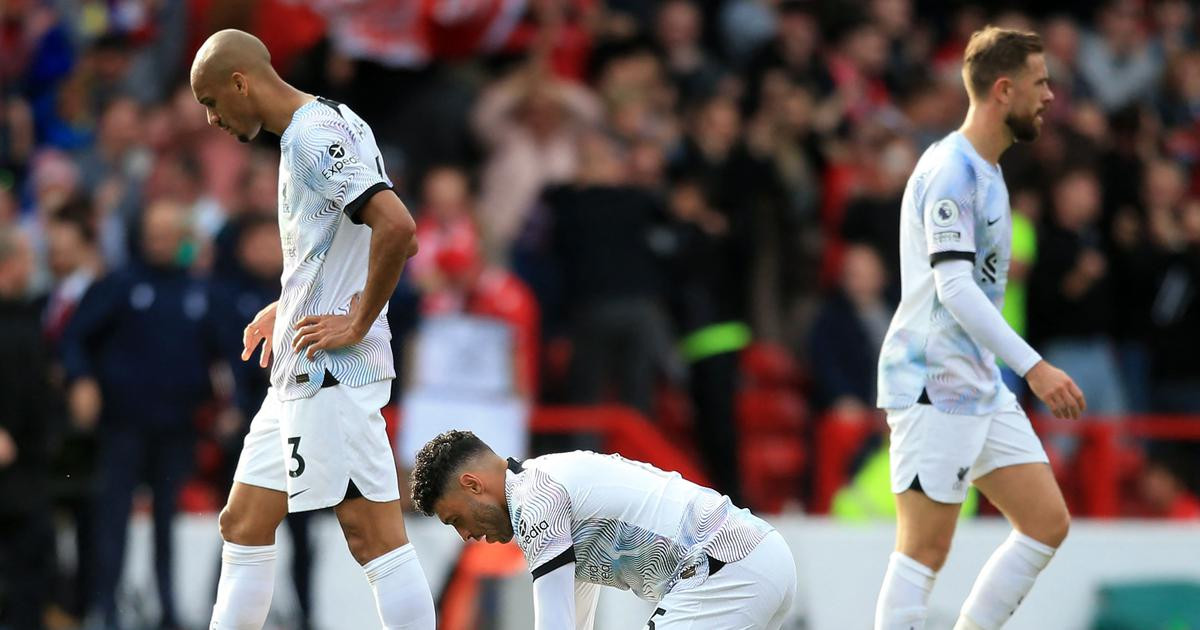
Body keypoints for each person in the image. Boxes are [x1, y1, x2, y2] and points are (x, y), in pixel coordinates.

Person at [188, 29, 435, 629]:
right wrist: (289, 304)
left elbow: (398, 229)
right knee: (242, 523)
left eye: (213, 103)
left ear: (241, 82)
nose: (214, 119)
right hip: (298, 370)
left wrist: (358, 319)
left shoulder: (311, 139)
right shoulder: (331, 119)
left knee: (371, 534)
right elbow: (337, 246)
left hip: (333, 374)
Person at [874, 27, 1085, 630]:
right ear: (1003, 89)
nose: (1049, 96)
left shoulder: (988, 172)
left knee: (1046, 524)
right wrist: (1035, 367)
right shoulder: (952, 172)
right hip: (931, 382)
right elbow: (954, 287)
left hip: (978, 383)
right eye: (1040, 83)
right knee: (923, 551)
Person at [410, 430, 796, 630]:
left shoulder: (535, 499)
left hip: (725, 568)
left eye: (456, 519)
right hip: (754, 558)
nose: (466, 536)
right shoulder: (548, 487)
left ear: (473, 485)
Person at [62, 199, 221, 630]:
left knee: (167, 522)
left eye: (170, 234)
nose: (161, 242)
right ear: (140, 236)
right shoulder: (119, 284)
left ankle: (168, 608)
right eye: (154, 234)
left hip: (176, 426)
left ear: (183, 239)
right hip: (123, 425)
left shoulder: (198, 289)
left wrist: (226, 401)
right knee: (112, 518)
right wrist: (82, 380)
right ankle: (106, 607)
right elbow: (75, 338)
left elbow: (223, 352)